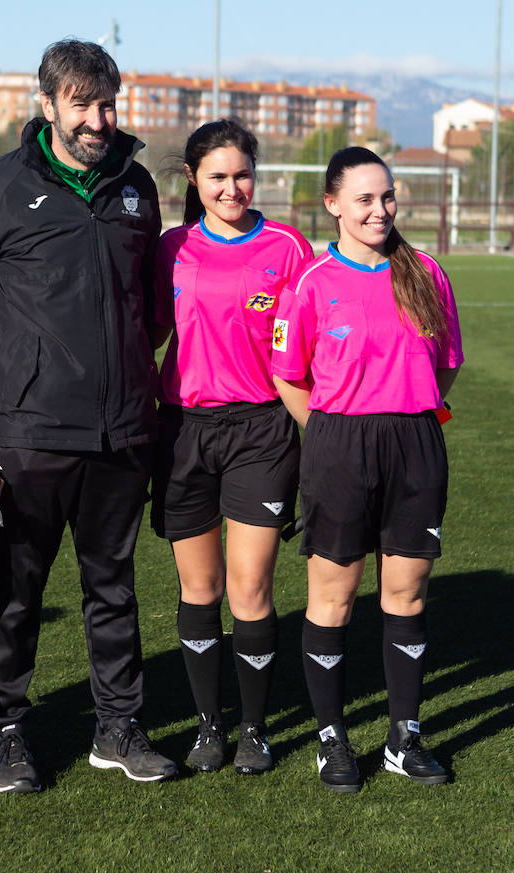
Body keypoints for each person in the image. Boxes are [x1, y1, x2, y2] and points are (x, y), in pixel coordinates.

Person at [0, 38, 175, 792]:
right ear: (47, 106)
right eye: (81, 103)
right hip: (30, 431)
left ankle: (118, 725)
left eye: (107, 102)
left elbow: (152, 304)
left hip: (121, 430)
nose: (98, 118)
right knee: (17, 591)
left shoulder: (138, 184)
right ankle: (6, 729)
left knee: (114, 587)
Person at [271, 146, 463, 793]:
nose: (379, 209)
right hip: (339, 447)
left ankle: (405, 736)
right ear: (333, 206)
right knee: (333, 598)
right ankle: (333, 738)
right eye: (364, 199)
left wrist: (408, 416)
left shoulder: (427, 272)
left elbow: (448, 367)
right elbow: (288, 374)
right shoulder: (314, 282)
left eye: (386, 197)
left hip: (415, 443)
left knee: (406, 594)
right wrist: (330, 434)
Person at [151, 120, 313, 776]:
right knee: (200, 585)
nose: (231, 188)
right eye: (216, 177)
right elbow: (148, 337)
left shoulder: (286, 246)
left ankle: (254, 728)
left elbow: (311, 341)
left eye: (241, 174)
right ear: (193, 180)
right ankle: (207, 726)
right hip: (183, 430)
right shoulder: (171, 248)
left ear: (256, 174)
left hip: (261, 432)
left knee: (249, 587)